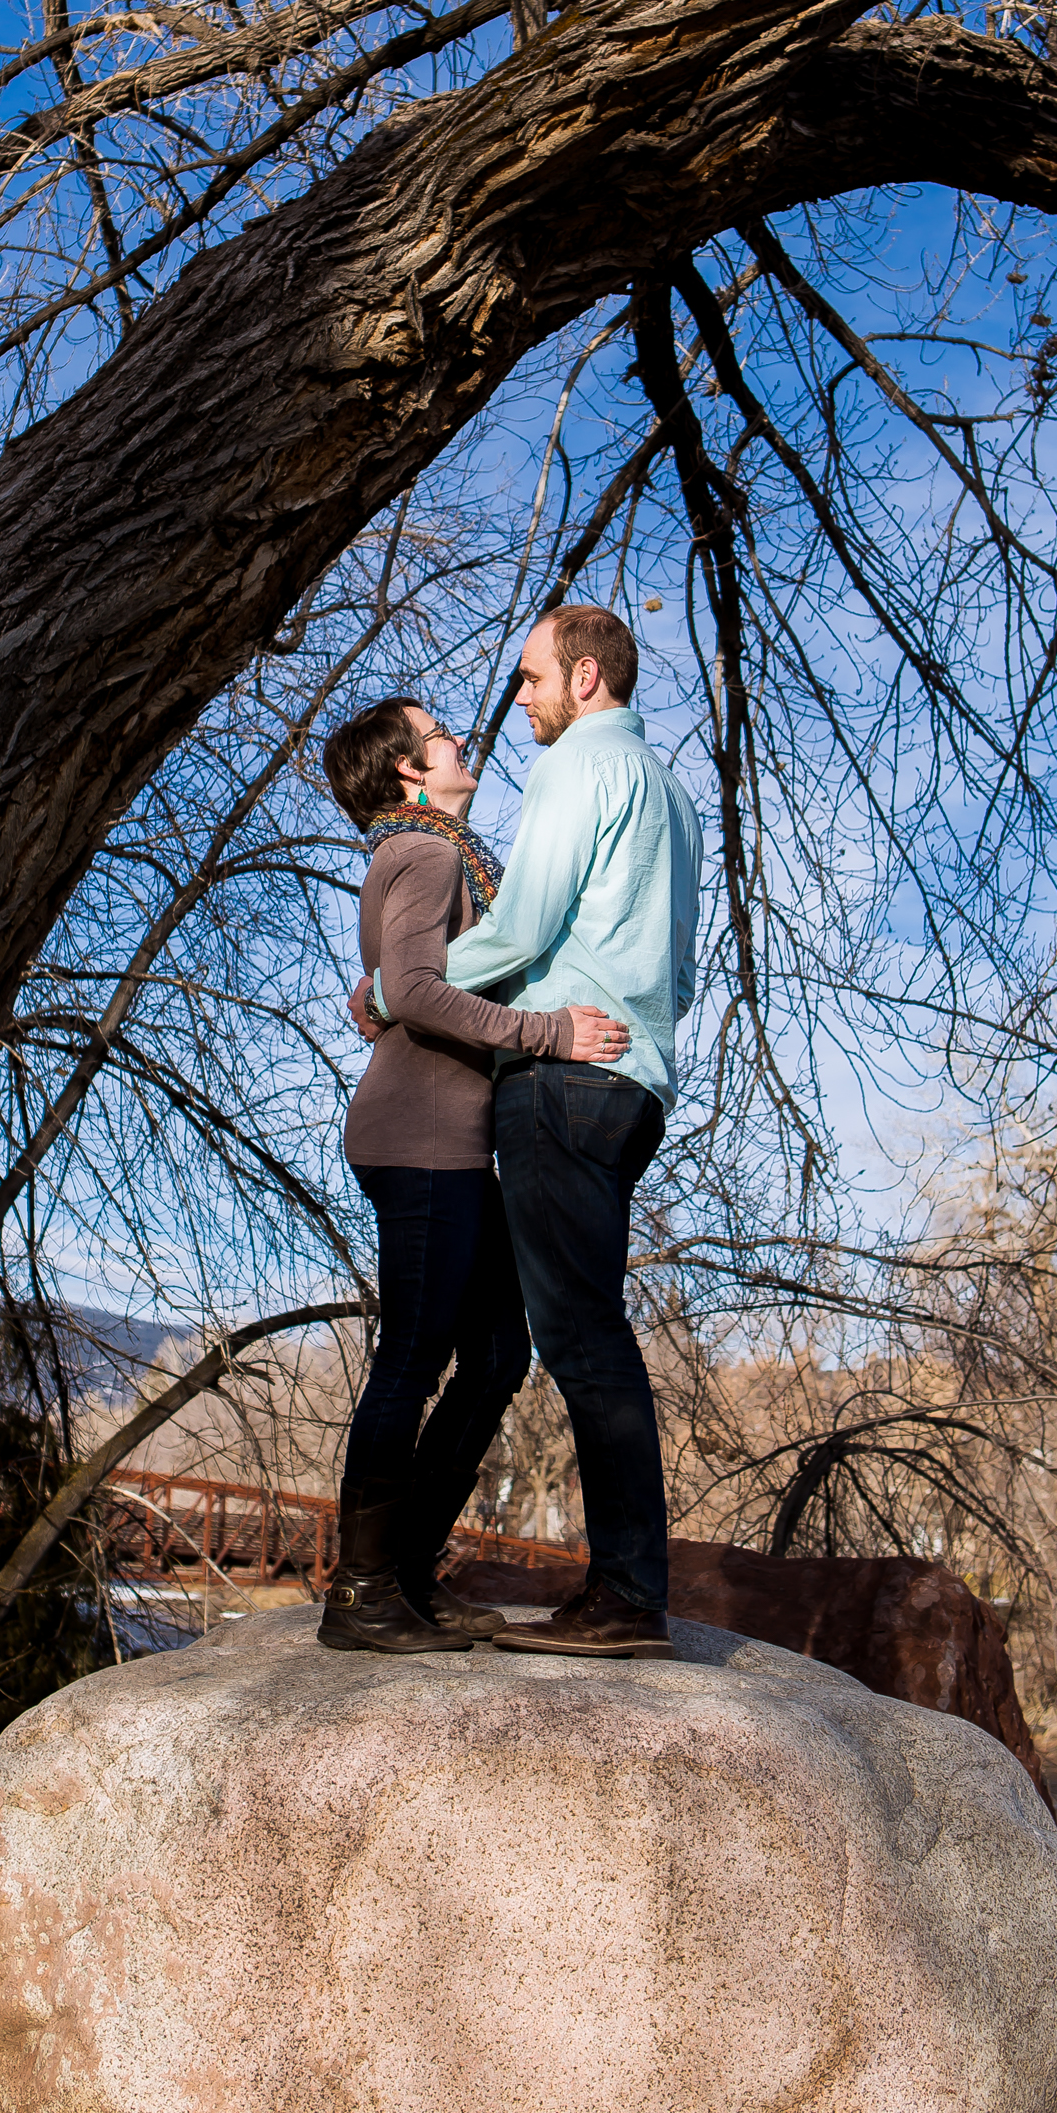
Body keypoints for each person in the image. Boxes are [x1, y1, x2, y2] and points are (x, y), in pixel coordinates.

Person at [361, 606, 702, 1658]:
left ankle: (625, 1595)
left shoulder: (574, 772)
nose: (516, 700)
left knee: (579, 1337)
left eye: (529, 677)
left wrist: (389, 987)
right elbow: (676, 972)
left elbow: (520, 927)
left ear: (585, 676)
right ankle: (414, 1572)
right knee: (519, 1340)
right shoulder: (674, 796)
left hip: (561, 1083)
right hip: (635, 1080)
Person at [319, 693, 631, 1656]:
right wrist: (548, 1033)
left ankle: (406, 1574)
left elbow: (392, 984)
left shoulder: (428, 854)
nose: (463, 739)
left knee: (498, 1352)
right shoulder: (427, 852)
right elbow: (411, 991)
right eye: (441, 733)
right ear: (412, 770)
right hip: (418, 1142)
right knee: (414, 1358)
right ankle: (364, 1594)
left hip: (447, 1141)